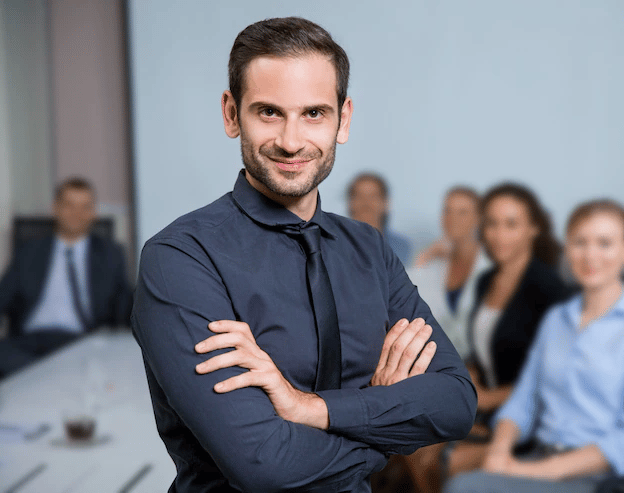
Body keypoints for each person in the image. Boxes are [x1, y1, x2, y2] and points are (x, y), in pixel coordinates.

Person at [131, 17, 476, 492]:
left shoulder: (369, 250)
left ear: (343, 119)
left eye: (314, 113)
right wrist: (385, 432)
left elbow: (455, 402)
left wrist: (309, 408)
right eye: (269, 112)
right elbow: (264, 463)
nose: (291, 141)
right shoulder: (180, 259)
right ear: (232, 115)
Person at [444, 200, 624, 493]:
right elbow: (524, 400)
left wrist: (536, 471)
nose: (590, 255)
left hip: (604, 477)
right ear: (568, 248)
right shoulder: (557, 319)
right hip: (541, 456)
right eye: (580, 242)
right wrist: (499, 452)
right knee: (462, 485)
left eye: (605, 243)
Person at [403, 183, 566, 493]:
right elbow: (482, 352)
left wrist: (485, 399)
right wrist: (465, 382)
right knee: (406, 441)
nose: (498, 234)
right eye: (492, 224)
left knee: (439, 462)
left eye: (511, 224)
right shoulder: (486, 281)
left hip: (527, 417)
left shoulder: (548, 289)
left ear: (533, 228)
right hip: (484, 405)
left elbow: (553, 377)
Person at [0, 178, 133, 378]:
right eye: (69, 205)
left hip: (81, 343)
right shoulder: (29, 251)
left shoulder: (111, 254)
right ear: (56, 208)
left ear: (93, 212)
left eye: (85, 207)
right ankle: (50, 374)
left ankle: (44, 376)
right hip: (28, 343)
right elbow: (1, 298)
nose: (77, 214)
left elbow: (125, 306)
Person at [408, 187, 490, 359]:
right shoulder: (433, 265)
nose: (452, 219)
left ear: (478, 218)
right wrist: (423, 258)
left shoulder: (489, 265)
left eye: (462, 212)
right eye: (447, 211)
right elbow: (407, 301)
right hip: (437, 364)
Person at [348, 172, 413, 265]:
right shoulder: (333, 246)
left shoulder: (403, 248)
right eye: (360, 197)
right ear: (350, 203)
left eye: (373, 197)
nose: (366, 204)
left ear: (386, 203)